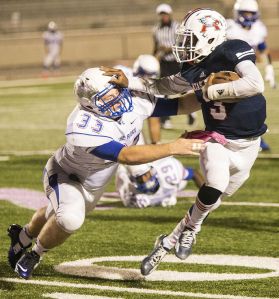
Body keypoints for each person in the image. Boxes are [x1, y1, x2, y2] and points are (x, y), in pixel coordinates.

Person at [102, 7, 267, 276]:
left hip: (250, 145)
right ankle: (191, 230)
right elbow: (163, 87)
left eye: (190, 39)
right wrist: (130, 81)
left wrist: (211, 90)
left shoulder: (231, 49)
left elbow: (255, 83)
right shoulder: (193, 69)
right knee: (214, 184)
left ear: (211, 36)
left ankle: (170, 239)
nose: (184, 46)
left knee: (211, 201)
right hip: (219, 140)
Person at [7, 68, 204, 280]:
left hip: (95, 183)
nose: (118, 98)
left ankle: (22, 236)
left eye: (117, 91)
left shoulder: (132, 100)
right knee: (70, 219)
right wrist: (173, 147)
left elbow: (182, 105)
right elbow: (126, 155)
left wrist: (215, 93)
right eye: (107, 97)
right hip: (66, 174)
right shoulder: (82, 124)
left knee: (56, 213)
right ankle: (35, 254)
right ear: (90, 103)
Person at [226, 0, 275, 151]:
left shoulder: (258, 28)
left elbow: (263, 49)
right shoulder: (229, 27)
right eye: (245, 12)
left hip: (249, 73)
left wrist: (269, 69)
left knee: (254, 105)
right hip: (230, 71)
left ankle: (256, 138)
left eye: (251, 13)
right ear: (238, 13)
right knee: (231, 106)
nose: (248, 16)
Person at [116, 156, 204, 209]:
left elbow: (193, 173)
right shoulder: (130, 188)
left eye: (146, 175)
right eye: (139, 178)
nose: (144, 180)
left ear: (151, 170)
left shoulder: (169, 172)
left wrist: (207, 196)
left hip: (175, 185)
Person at [115, 54, 162, 144]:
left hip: (130, 127)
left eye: (152, 75)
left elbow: (153, 119)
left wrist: (156, 145)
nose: (148, 79)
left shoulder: (155, 90)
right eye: (146, 74)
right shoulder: (122, 74)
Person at [153, 3, 180, 130]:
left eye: (165, 14)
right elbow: (156, 46)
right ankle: (165, 119)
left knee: (183, 87)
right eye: (161, 14)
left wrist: (168, 49)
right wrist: (153, 58)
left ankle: (191, 113)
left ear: (169, 14)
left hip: (177, 61)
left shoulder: (177, 27)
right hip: (164, 63)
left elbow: (181, 45)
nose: (163, 16)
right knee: (164, 91)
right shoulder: (156, 29)